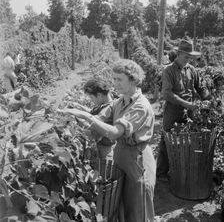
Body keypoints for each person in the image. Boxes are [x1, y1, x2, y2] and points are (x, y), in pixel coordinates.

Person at [58, 59, 156, 222]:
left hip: (138, 161)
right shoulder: (120, 101)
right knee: (124, 206)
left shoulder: (140, 106)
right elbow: (99, 118)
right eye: (114, 79)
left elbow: (114, 133)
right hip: (121, 158)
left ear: (132, 80)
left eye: (119, 79)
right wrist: (72, 118)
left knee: (139, 208)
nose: (115, 83)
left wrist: (87, 116)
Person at [156, 39, 210, 180]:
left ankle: (183, 169)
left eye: (190, 57)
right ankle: (161, 172)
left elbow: (200, 87)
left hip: (189, 111)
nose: (189, 60)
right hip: (173, 111)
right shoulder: (168, 71)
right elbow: (167, 93)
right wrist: (186, 104)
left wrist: (209, 99)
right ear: (179, 53)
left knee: (190, 139)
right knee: (167, 139)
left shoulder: (191, 70)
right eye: (186, 56)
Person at [73, 77, 115, 160]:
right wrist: (79, 106)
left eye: (91, 98)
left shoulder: (107, 110)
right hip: (103, 145)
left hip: (106, 151)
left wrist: (75, 116)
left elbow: (91, 123)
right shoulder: (107, 104)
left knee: (105, 170)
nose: (91, 100)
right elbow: (92, 111)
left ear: (99, 95)